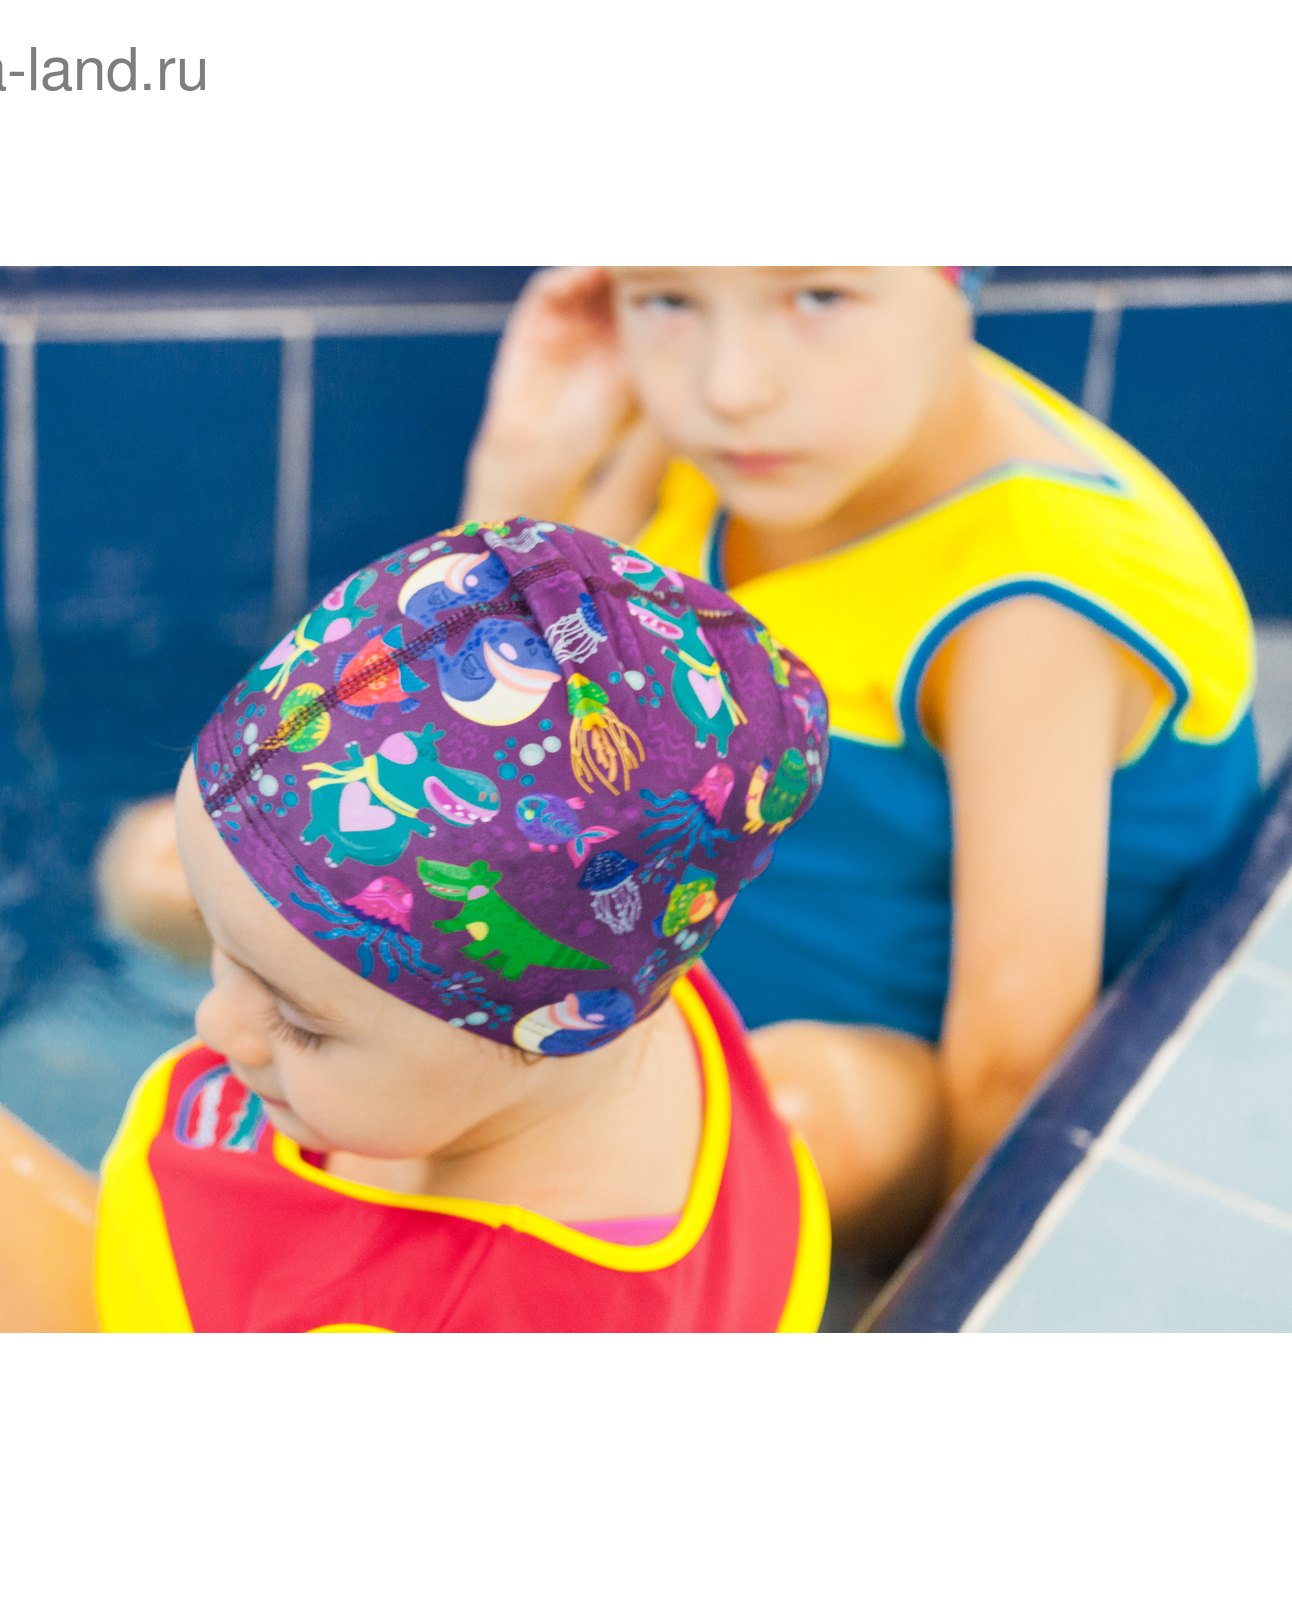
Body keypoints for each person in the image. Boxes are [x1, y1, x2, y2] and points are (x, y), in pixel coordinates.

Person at [0, 518, 830, 1332]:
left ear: (564, 1024)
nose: (217, 1025)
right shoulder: (624, 974)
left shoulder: (438, 1323)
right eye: (218, 940)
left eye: (300, 1022)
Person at [460, 266, 1258, 1260]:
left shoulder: (1030, 603)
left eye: (821, 298)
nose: (730, 385)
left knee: (769, 1113)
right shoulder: (730, 438)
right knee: (287, 899)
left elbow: (1012, 1059)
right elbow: (484, 733)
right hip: (668, 949)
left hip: (886, 1071)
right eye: (667, 299)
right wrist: (523, 468)